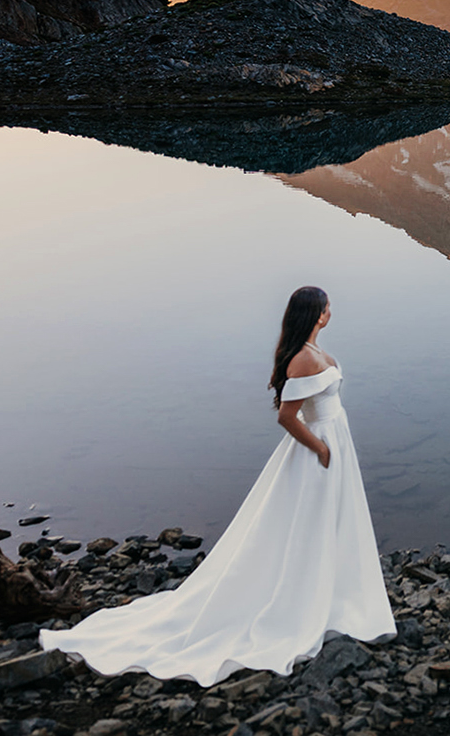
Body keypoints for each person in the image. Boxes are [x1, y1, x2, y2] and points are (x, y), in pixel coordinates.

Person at [39, 286, 396, 686]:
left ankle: (336, 592)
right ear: (316, 314)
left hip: (335, 441)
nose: (331, 311)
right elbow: (287, 416)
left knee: (334, 519)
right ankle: (302, 597)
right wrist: (320, 449)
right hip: (320, 449)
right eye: (327, 306)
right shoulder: (302, 360)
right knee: (305, 523)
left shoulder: (315, 354)